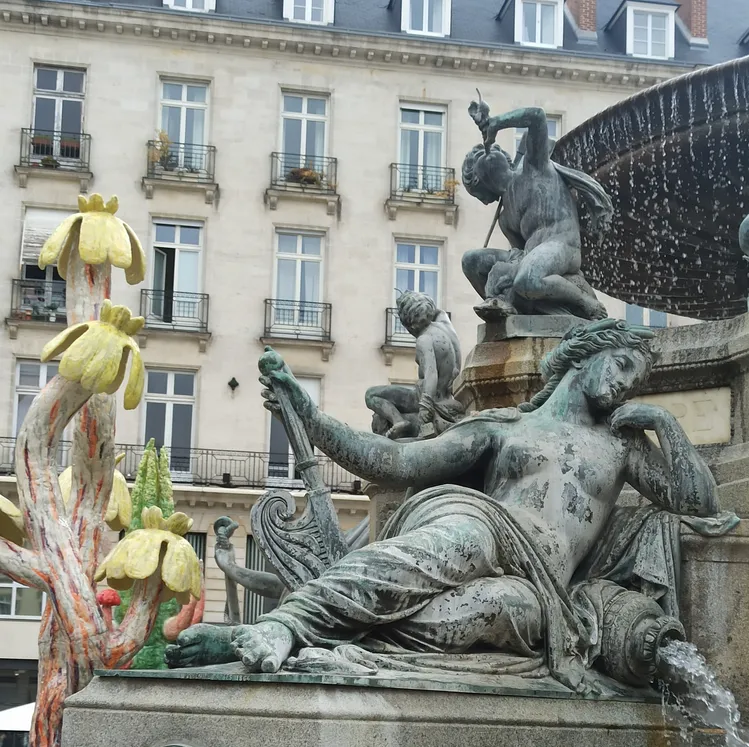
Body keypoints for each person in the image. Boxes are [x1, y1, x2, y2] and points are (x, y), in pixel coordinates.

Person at [168, 320, 720, 692]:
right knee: (447, 548)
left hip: (543, 594)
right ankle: (286, 625)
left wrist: (666, 426)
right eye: (623, 367)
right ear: (588, 355)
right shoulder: (506, 426)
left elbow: (698, 504)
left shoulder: (624, 445)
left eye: (637, 381)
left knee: (476, 617)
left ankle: (291, 641)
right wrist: (311, 420)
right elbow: (396, 463)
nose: (628, 386)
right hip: (488, 525)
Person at [461, 99, 613, 321]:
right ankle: (504, 308)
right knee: (471, 261)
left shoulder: (532, 165)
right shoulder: (505, 218)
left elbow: (537, 117)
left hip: (563, 245)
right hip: (532, 256)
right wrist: (503, 275)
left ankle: (586, 302)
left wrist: (497, 123)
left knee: (528, 279)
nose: (484, 202)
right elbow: (519, 253)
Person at [365, 291, 464, 440]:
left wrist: (425, 407)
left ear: (410, 324)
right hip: (447, 397)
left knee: (371, 395)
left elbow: (431, 374)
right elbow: (440, 312)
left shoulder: (424, 340)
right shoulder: (445, 326)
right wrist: (422, 303)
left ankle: (399, 421)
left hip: (431, 400)